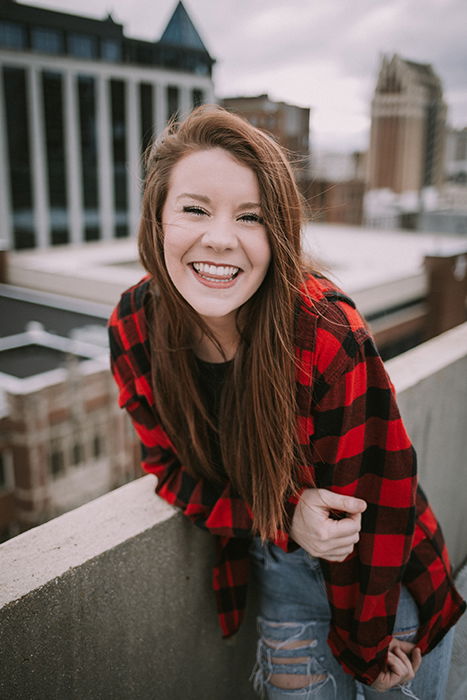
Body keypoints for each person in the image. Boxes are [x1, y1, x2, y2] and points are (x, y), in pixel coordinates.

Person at [108, 105, 465, 699]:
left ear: (277, 236)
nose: (220, 238)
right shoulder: (134, 326)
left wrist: (368, 648)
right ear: (157, 220)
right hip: (282, 567)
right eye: (195, 208)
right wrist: (281, 517)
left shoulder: (324, 332)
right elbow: (168, 471)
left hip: (382, 577)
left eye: (251, 217)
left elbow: (380, 498)